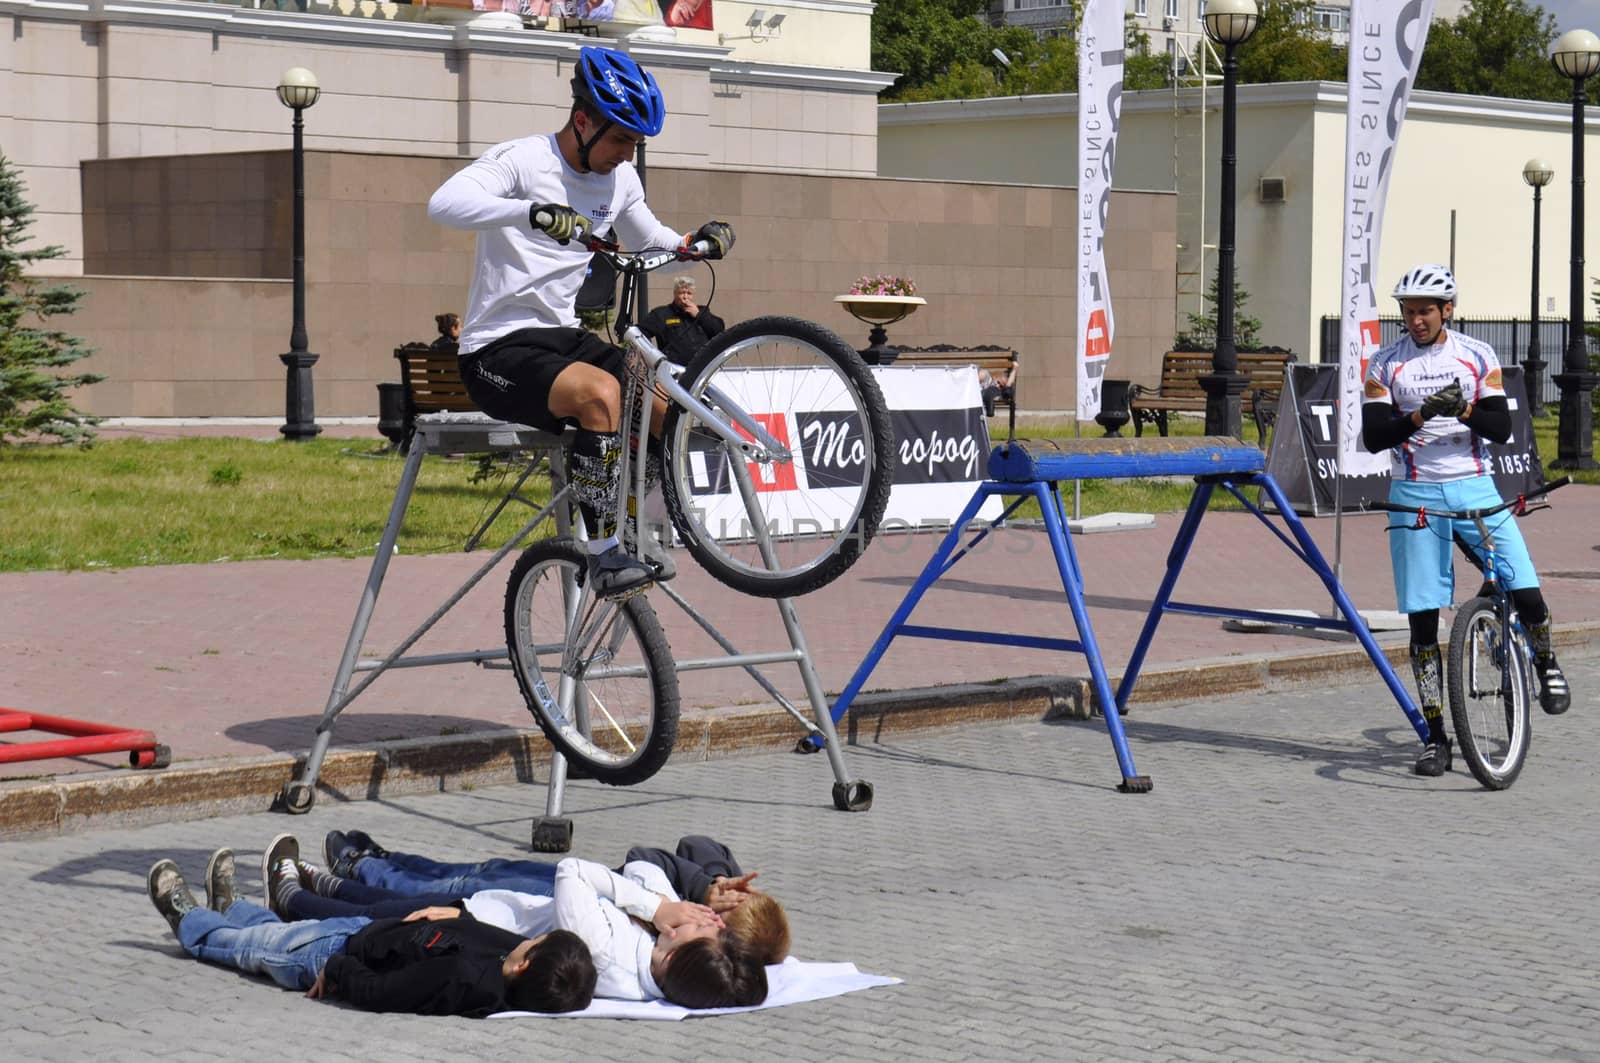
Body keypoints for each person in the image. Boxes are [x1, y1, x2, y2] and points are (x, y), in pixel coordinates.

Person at [427, 44, 734, 599]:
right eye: (619, 139)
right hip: (495, 350)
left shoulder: (620, 181)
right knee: (600, 395)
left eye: (635, 144)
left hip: (563, 339)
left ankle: (647, 520)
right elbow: (444, 204)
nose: (626, 153)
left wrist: (694, 244)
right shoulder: (523, 160)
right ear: (582, 120)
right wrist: (529, 211)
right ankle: (604, 553)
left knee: (669, 402)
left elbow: (649, 238)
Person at [1362, 263, 1571, 777]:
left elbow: (1500, 427)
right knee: (1422, 622)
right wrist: (1419, 415)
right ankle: (1436, 736)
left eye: (1425, 312)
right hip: (1415, 493)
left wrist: (1460, 412)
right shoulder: (1385, 364)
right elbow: (1374, 437)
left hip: (1474, 487)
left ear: (1447, 310)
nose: (1415, 321)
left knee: (1526, 591)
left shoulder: (1477, 355)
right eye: (1408, 313)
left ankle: (1545, 661)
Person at [268, 837, 766, 1007]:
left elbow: (573, 871)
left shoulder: (605, 950)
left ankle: (291, 897)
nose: (708, 921)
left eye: (707, 929)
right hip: (488, 917)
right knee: (381, 907)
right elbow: (641, 864)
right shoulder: (658, 950)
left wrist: (656, 906)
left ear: (676, 953)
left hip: (482, 922)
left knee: (368, 923)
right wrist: (669, 903)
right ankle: (319, 883)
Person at [145, 848, 596, 1017]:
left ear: (524, 965)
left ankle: (188, 920)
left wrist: (339, 968)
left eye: (534, 943)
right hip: (366, 931)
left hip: (333, 956)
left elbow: (382, 992)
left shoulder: (462, 978)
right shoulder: (509, 961)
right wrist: (451, 912)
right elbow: (472, 929)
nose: (528, 936)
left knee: (252, 950)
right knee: (282, 930)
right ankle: (232, 907)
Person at [322, 828, 790, 965]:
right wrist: (710, 881)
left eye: (727, 908)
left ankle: (360, 868)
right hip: (583, 884)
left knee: (455, 890)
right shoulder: (704, 899)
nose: (725, 900)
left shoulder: (677, 931)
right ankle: (382, 856)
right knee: (474, 872)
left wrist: (679, 899)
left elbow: (640, 855)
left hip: (563, 898)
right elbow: (695, 845)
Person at [640, 276, 724, 366]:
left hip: (701, 369)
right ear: (675, 294)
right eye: (682, 293)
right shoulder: (662, 314)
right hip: (673, 369)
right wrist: (653, 356)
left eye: (689, 293)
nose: (685, 297)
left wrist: (699, 315)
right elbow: (640, 332)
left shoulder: (702, 312)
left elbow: (719, 330)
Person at [978, 353, 1018, 417]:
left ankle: (990, 409)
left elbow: (1008, 384)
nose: (998, 385)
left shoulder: (998, 391)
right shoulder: (986, 377)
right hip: (972, 390)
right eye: (998, 382)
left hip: (984, 395)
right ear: (996, 377)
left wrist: (1015, 368)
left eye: (1001, 386)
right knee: (984, 374)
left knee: (999, 391)